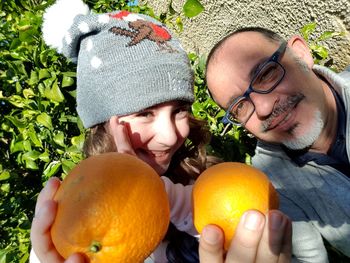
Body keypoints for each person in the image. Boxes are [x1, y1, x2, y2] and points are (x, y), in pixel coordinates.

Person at [30, 0, 292, 262]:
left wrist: (154, 190)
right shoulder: (69, 217)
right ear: (101, 123)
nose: (169, 136)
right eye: (144, 113)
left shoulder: (200, 181)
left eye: (179, 110)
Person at [205, 26, 350, 262]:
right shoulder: (269, 182)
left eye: (265, 74)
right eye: (240, 106)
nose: (263, 108)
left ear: (301, 53)